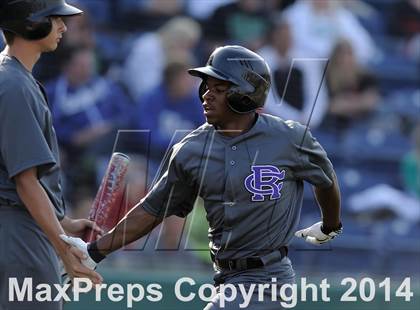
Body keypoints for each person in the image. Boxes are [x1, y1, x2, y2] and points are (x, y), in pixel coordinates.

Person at [62, 45, 342, 309]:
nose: (207, 95)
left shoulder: (290, 137)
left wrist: (330, 225)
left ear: (245, 94)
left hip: (269, 279)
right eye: (206, 87)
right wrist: (94, 251)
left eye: (219, 89)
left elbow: (326, 180)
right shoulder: (190, 149)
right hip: (225, 280)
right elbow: (152, 209)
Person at [0, 1, 103, 309]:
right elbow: (25, 182)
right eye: (56, 19)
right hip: (19, 238)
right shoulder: (14, 84)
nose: (64, 27)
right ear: (32, 22)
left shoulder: (13, 78)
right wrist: (63, 249)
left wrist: (63, 222)